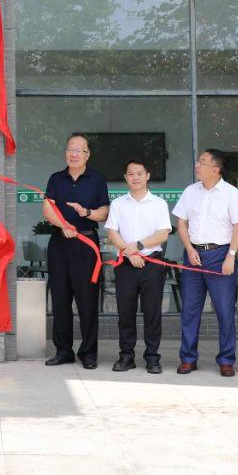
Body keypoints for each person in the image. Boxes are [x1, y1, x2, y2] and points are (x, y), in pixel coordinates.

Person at [173, 149, 238, 377]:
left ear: (216, 169)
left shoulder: (230, 193)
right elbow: (181, 223)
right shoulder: (190, 191)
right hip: (193, 255)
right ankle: (188, 358)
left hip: (220, 255)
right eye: (198, 161)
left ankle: (226, 360)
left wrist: (231, 256)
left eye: (202, 162)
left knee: (224, 311)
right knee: (189, 310)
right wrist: (189, 249)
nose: (197, 165)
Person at [42, 133, 110, 369]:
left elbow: (104, 213)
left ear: (87, 155)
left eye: (79, 150)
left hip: (86, 244)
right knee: (60, 299)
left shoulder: (97, 179)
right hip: (60, 243)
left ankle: (88, 353)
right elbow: (47, 208)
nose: (74, 154)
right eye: (70, 149)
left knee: (87, 300)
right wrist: (64, 225)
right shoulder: (56, 179)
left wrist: (86, 213)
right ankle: (63, 351)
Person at [103, 159, 171, 374]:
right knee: (125, 312)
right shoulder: (118, 204)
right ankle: (126, 356)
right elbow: (112, 232)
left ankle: (152, 357)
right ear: (125, 177)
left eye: (139, 173)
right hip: (125, 264)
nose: (135, 177)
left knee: (152, 312)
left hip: (152, 263)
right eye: (131, 174)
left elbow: (163, 233)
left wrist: (139, 246)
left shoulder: (159, 203)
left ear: (147, 176)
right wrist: (129, 252)